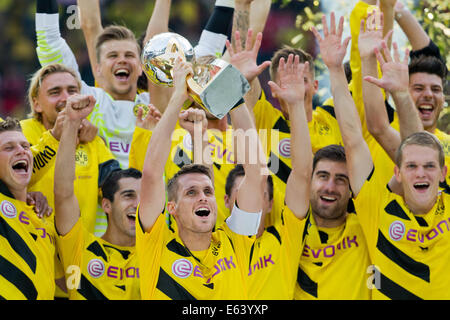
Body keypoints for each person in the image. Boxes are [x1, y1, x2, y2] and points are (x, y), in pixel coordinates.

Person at [315, 12, 450, 300]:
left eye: (429, 166)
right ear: (397, 170)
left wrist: (402, 92)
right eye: (411, 166)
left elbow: (417, 145)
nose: (421, 173)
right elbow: (355, 137)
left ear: (443, 173)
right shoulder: (377, 204)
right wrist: (337, 71)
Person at [136, 58, 267, 299]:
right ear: (171, 208)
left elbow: (256, 172)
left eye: (208, 192)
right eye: (191, 193)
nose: (203, 198)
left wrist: (235, 98)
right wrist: (178, 95)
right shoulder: (155, 246)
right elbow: (152, 174)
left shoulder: (235, 240)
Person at [222, 54, 311, 299]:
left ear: (271, 202)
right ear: (227, 202)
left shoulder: (287, 238)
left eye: (260, 193)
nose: (251, 199)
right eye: (242, 193)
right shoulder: (214, 242)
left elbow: (302, 173)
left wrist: (295, 106)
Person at [54, 93, 141, 300]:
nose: (138, 204)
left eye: (143, 197)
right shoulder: (79, 248)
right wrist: (71, 125)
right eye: (128, 195)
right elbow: (63, 193)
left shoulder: (157, 251)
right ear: (106, 205)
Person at [22, 63, 120, 235]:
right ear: (36, 104)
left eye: (72, 91)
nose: (66, 98)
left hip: (76, 253)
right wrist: (56, 137)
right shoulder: (20, 134)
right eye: (55, 92)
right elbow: (18, 177)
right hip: (30, 248)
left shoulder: (93, 142)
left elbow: (116, 190)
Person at [0, 117, 61, 299]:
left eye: (26, 146)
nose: (21, 151)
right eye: (8, 147)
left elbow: (64, 283)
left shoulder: (44, 218)